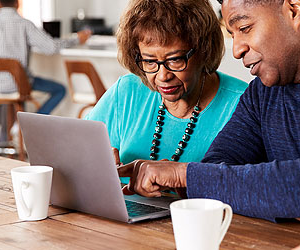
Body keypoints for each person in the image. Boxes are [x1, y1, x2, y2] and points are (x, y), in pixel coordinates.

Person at [118, 0, 300, 226]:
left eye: (244, 28)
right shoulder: (261, 93)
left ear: (294, 8)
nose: (237, 50)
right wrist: (294, 199)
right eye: (232, 33)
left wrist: (183, 175)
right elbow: (213, 170)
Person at [85, 0, 248, 184]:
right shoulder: (127, 91)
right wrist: (92, 164)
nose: (162, 76)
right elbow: (75, 150)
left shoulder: (245, 103)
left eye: (175, 60)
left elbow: (251, 187)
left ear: (204, 49)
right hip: (124, 212)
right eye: (149, 61)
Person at [0, 0, 91, 142]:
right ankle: (27, 125)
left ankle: (6, 137)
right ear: (17, 4)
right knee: (60, 89)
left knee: (10, 96)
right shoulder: (24, 24)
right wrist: (76, 39)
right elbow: (51, 47)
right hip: (18, 85)